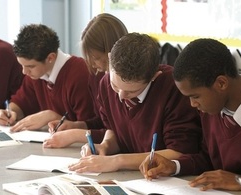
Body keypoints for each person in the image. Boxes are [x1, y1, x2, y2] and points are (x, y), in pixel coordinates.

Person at [139, 38, 241, 193]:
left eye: (195, 96)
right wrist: (174, 166)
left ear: (221, 84)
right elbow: (208, 158)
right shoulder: (212, 109)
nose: (192, 104)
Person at [68, 33, 202, 173]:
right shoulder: (105, 84)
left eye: (132, 92)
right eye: (115, 86)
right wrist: (105, 146)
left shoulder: (173, 88)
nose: (120, 96)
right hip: (128, 177)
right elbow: (115, 130)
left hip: (164, 180)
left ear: (154, 77)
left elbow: (179, 153)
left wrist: (117, 161)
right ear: (109, 60)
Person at [43, 13, 128, 148]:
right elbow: (102, 122)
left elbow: (122, 135)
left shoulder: (129, 84)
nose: (92, 64)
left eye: (96, 57)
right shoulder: (98, 77)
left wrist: (76, 135)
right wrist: (76, 125)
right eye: (89, 58)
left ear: (112, 50)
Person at [0, 24, 95, 132]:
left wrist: (52, 117)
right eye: (22, 65)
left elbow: (90, 126)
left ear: (50, 58)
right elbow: (21, 103)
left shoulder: (80, 74)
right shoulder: (36, 74)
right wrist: (10, 112)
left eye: (30, 66)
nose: (24, 72)